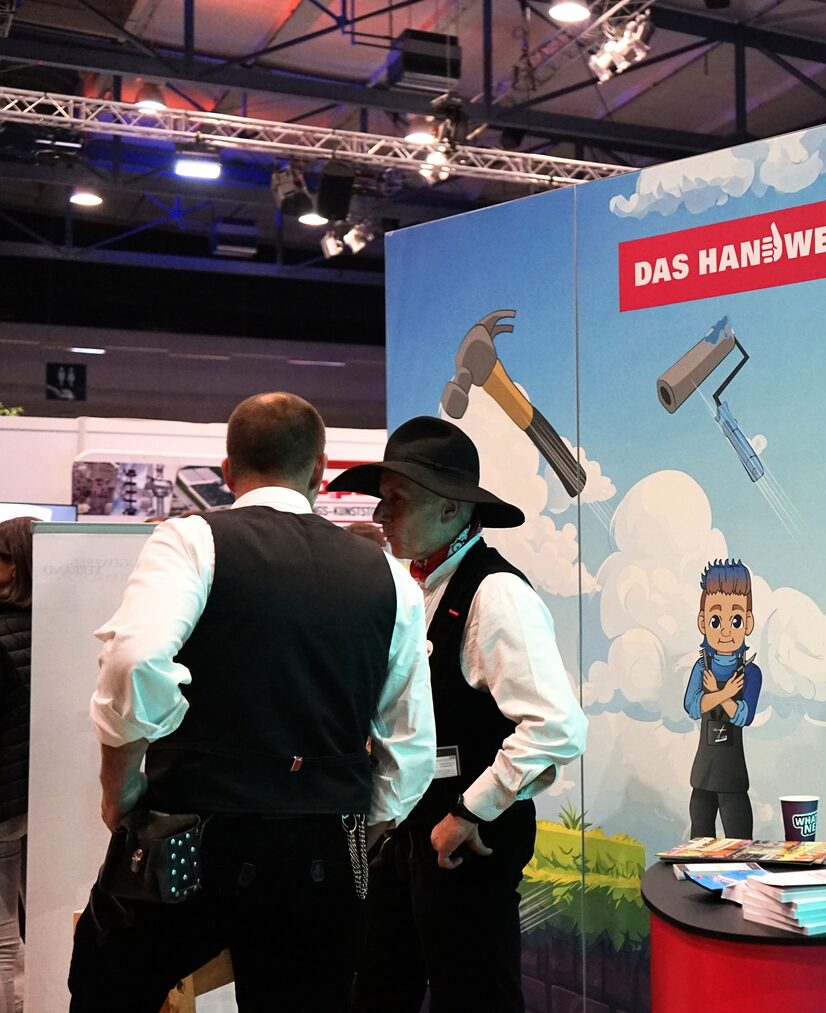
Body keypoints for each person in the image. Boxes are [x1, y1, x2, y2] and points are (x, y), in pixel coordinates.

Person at [68, 392, 437, 1013]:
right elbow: (411, 745)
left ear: (227, 469)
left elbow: (135, 660)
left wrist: (119, 785)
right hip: (322, 852)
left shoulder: (192, 541)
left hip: (187, 840)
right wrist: (357, 820)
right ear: (319, 471)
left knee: (107, 989)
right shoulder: (389, 578)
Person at [333, 417, 587, 1013]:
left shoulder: (496, 593)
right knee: (378, 991)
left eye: (397, 499)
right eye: (382, 499)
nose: (381, 515)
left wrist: (469, 811)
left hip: (466, 843)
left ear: (451, 509)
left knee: (474, 998)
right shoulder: (418, 588)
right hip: (412, 838)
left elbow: (557, 726)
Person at [682, 559, 762, 839]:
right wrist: (725, 693)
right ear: (703, 621)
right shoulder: (701, 666)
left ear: (748, 622)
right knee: (698, 844)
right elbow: (693, 706)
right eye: (716, 621)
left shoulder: (751, 673)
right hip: (703, 773)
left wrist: (719, 694)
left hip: (733, 776)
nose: (726, 630)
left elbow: (743, 715)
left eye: (735, 620)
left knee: (741, 844)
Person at [0, 519, 34, 1013]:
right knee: (41, 915)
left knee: (4, 931)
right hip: (40, 792)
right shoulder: (62, 623)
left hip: (4, 802)